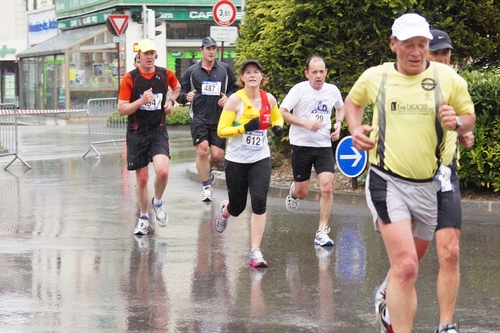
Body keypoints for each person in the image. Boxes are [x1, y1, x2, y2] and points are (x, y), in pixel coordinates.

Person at [344, 13, 475, 333]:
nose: (416, 52)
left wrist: (457, 124)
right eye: (409, 45)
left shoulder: (448, 80)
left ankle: (407, 310)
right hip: (387, 181)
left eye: (422, 45)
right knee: (405, 267)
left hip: (433, 182)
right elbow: (352, 102)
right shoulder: (377, 77)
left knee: (422, 261)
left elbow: (468, 117)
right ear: (393, 45)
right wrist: (354, 130)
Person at [214, 59, 284, 268]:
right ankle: (225, 211)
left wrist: (278, 126)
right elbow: (221, 130)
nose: (252, 75)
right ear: (242, 78)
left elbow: (277, 118)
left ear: (262, 77)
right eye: (248, 72)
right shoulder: (235, 101)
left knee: (259, 202)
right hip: (236, 161)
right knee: (237, 206)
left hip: (260, 158)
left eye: (256, 72)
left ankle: (255, 251)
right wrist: (244, 127)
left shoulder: (268, 99)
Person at [428, 29, 475, 333]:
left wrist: (463, 130)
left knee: (450, 250)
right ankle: (386, 290)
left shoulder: (457, 85)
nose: (444, 58)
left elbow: (462, 121)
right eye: (437, 52)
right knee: (411, 256)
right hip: (410, 177)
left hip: (445, 175)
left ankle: (446, 325)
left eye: (447, 52)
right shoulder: (409, 85)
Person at [280, 55, 345, 247]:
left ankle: (322, 231)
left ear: (326, 73)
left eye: (322, 72)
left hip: (323, 145)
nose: (318, 76)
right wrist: (306, 123)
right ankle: (293, 193)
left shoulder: (332, 90)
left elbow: (340, 108)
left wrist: (339, 124)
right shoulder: (299, 90)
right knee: (302, 191)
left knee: (327, 186)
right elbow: (283, 112)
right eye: (314, 72)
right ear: (306, 73)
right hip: (301, 145)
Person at [118, 39, 181, 235]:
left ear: (156, 56)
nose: (149, 57)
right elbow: (121, 109)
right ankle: (144, 217)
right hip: (137, 133)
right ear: (139, 56)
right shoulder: (130, 78)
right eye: (145, 53)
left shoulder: (165, 74)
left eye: (152, 53)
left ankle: (158, 202)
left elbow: (176, 88)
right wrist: (141, 101)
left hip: (158, 131)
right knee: (143, 179)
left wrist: (170, 101)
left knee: (162, 171)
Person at [177, 36, 238, 202]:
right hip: (199, 117)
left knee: (218, 155)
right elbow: (179, 93)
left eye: (213, 48)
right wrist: (185, 97)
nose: (211, 52)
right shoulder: (192, 71)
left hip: (219, 118)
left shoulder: (224, 69)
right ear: (201, 51)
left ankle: (206, 168)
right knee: (202, 149)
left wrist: (229, 98)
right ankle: (206, 187)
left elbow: (234, 89)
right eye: (208, 48)